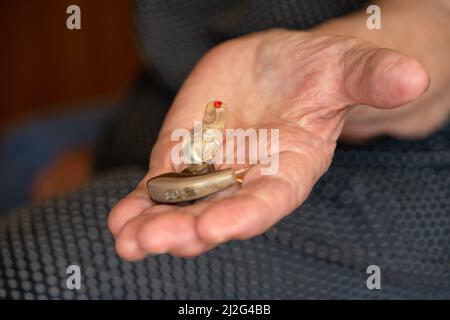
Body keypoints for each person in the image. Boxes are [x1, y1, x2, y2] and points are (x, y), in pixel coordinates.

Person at [108, 0, 450, 260]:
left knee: (80, 266)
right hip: (165, 100)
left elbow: (438, 26)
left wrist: (326, 78)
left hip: (397, 174)